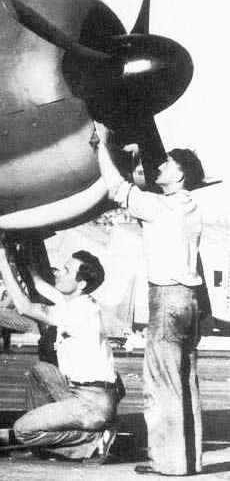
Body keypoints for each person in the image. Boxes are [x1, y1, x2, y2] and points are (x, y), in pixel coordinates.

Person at [94, 122, 205, 476]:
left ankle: (168, 463)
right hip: (189, 301)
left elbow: (116, 188)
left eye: (168, 163)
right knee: (185, 383)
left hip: (166, 300)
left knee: (161, 385)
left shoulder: (160, 207)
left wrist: (102, 146)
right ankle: (189, 460)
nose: (160, 166)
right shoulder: (190, 207)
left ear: (180, 175)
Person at [0, 227, 123, 461]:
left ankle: (92, 440)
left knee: (22, 431)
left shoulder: (79, 312)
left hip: (92, 403)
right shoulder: (75, 300)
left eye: (66, 270)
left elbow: (25, 307)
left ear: (81, 283)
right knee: (41, 371)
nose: (58, 272)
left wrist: (1, 259)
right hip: (85, 392)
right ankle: (48, 438)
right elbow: (37, 283)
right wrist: (16, 253)